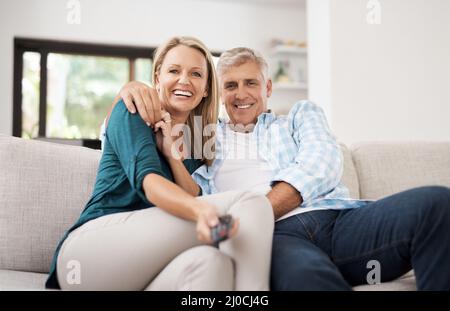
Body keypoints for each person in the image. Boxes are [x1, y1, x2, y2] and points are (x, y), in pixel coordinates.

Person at [117, 46, 450, 290]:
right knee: (308, 279)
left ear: (268, 89)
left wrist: (260, 208)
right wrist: (131, 89)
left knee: (437, 205)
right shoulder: (204, 134)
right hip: (276, 239)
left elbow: (323, 163)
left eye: (251, 83)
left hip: (339, 220)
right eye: (230, 86)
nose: (241, 94)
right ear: (219, 94)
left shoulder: (298, 117)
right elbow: (141, 133)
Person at [45, 38, 274, 291]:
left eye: (196, 74)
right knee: (252, 204)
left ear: (207, 88)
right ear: (157, 78)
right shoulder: (133, 109)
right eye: (174, 71)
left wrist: (173, 157)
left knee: (211, 264)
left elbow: (193, 193)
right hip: (91, 252)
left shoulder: (197, 141)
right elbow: (151, 183)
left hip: (141, 266)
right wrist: (200, 212)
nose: (184, 80)